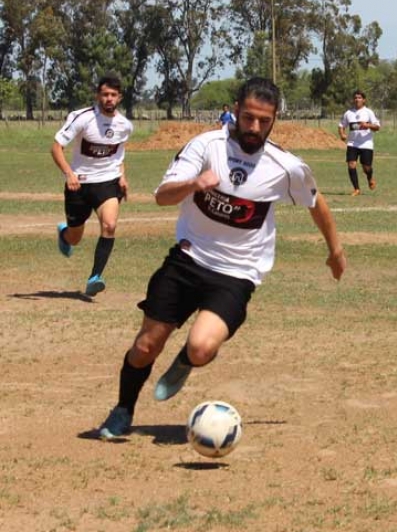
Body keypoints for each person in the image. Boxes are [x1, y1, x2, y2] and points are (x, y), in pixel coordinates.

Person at [96, 77, 347, 440]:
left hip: (237, 273)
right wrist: (194, 184)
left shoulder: (284, 165)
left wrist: (335, 250)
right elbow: (163, 196)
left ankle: (186, 360)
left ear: (275, 119)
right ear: (235, 111)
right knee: (145, 347)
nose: (255, 127)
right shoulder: (205, 146)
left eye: (264, 120)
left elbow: (315, 201)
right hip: (188, 259)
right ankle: (123, 409)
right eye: (248, 118)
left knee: (201, 348)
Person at [50, 74, 133, 297]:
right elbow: (56, 147)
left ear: (119, 97)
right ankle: (64, 234)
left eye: (113, 95)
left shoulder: (125, 125)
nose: (109, 98)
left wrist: (122, 177)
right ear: (98, 96)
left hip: (108, 182)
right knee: (75, 238)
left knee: (110, 225)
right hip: (79, 185)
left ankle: (95, 277)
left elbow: (118, 154)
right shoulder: (82, 118)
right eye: (105, 94)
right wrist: (69, 174)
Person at [338, 91, 381, 196]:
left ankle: (370, 178)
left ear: (364, 100)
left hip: (366, 144)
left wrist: (367, 125)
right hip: (352, 144)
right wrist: (342, 134)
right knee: (351, 165)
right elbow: (341, 126)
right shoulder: (348, 113)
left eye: (359, 98)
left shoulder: (368, 112)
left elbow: (377, 127)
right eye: (355, 98)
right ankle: (356, 189)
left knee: (366, 167)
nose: (357, 99)